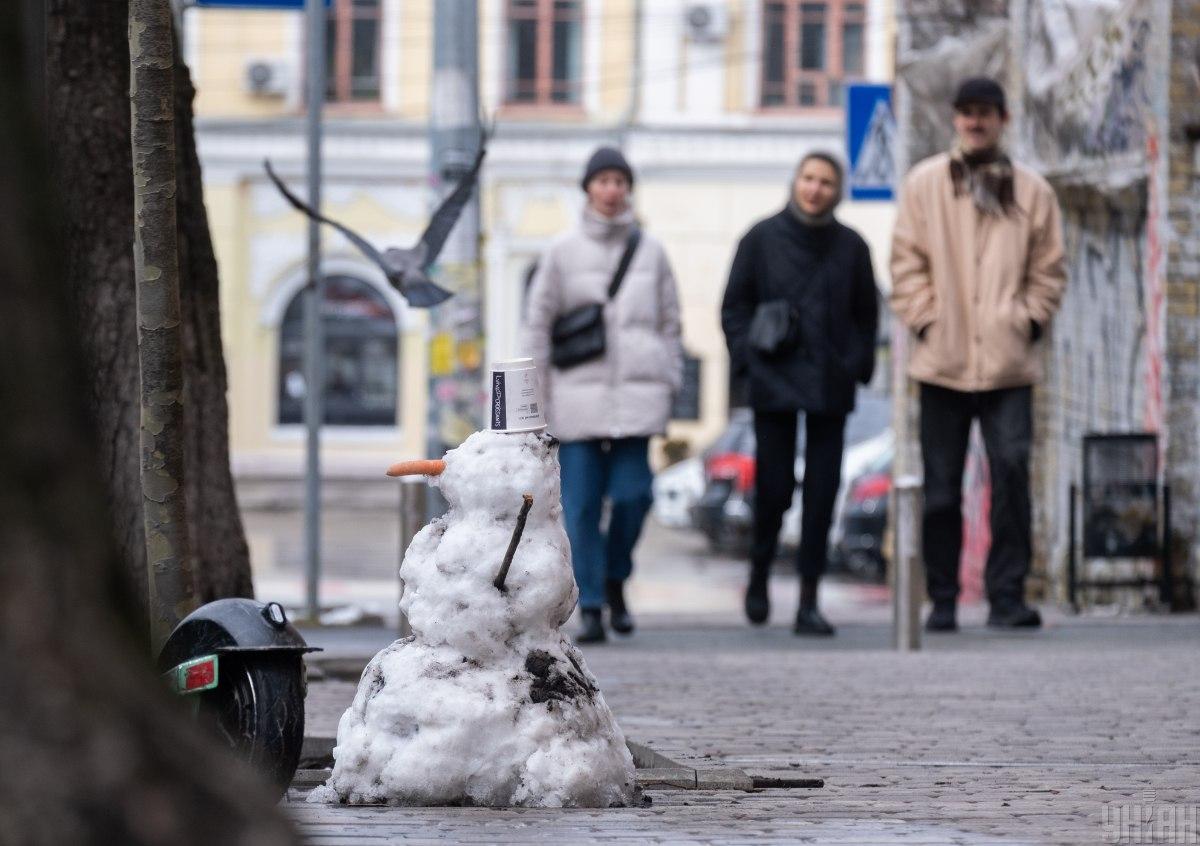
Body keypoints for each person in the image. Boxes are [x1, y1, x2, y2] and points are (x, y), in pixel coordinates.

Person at [890, 77, 1066, 632]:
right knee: (940, 487)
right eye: (966, 112)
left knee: (1012, 477)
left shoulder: (1034, 191)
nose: (974, 122)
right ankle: (941, 599)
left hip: (1009, 363)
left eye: (985, 112)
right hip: (941, 361)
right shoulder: (924, 184)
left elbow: (1050, 268)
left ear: (1002, 119)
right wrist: (926, 318)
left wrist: (1029, 319)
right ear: (954, 119)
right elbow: (904, 263)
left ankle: (1007, 595)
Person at [522, 146, 683, 644]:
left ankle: (615, 578)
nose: (612, 189)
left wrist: (670, 381)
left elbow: (671, 323)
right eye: (603, 180)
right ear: (588, 188)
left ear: (628, 188)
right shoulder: (561, 252)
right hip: (577, 401)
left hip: (637, 401)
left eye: (620, 180)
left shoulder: (651, 252)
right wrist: (535, 402)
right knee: (584, 505)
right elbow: (538, 327)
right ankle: (592, 603)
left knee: (636, 497)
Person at [721, 152, 879, 636]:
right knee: (773, 488)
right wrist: (750, 359)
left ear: (838, 191)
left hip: (829, 384)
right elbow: (734, 307)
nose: (815, 189)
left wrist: (853, 363)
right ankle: (760, 571)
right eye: (809, 179)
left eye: (826, 182)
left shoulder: (852, 246)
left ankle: (809, 599)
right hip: (774, 380)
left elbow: (867, 315)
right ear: (796, 182)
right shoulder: (760, 237)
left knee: (823, 491)